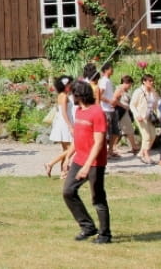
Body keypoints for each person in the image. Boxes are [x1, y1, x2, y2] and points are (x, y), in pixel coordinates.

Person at [62, 79, 111, 244]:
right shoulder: (78, 111)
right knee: (68, 191)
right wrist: (68, 156)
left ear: (79, 95)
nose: (70, 98)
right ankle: (88, 227)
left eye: (72, 94)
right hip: (79, 159)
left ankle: (105, 235)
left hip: (95, 163)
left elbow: (98, 142)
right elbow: (78, 138)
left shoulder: (97, 112)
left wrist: (87, 166)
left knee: (98, 198)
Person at [45, 76, 74, 178]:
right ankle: (51, 163)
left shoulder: (62, 95)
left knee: (66, 149)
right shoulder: (64, 96)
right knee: (72, 148)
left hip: (62, 123)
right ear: (66, 85)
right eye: (70, 84)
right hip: (65, 124)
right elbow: (64, 113)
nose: (72, 85)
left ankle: (63, 172)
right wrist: (70, 126)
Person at [129, 74, 160, 164]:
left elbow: (156, 103)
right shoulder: (138, 91)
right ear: (144, 81)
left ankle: (141, 153)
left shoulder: (153, 91)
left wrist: (159, 115)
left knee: (153, 135)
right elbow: (132, 105)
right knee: (146, 136)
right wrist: (137, 114)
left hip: (149, 116)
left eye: (152, 80)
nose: (152, 82)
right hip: (141, 117)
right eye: (149, 81)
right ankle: (146, 155)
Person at [97, 62, 120, 158]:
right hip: (106, 109)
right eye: (111, 68)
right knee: (107, 132)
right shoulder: (104, 81)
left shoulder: (108, 81)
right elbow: (100, 95)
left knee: (115, 131)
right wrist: (109, 101)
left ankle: (110, 150)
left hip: (111, 109)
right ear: (106, 70)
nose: (112, 70)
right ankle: (105, 152)